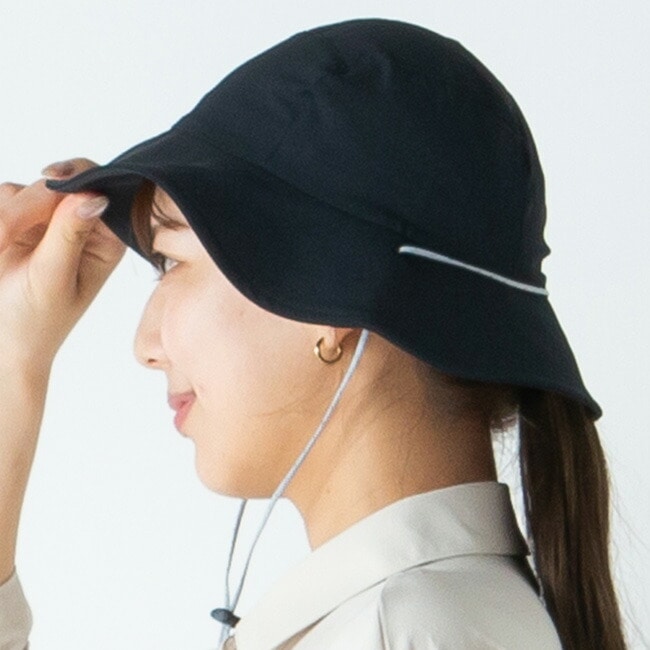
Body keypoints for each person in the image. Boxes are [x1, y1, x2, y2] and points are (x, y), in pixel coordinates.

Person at [0, 17, 626, 650]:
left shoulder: (405, 627)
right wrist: (12, 360)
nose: (145, 346)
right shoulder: (415, 617)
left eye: (171, 261)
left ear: (330, 295)